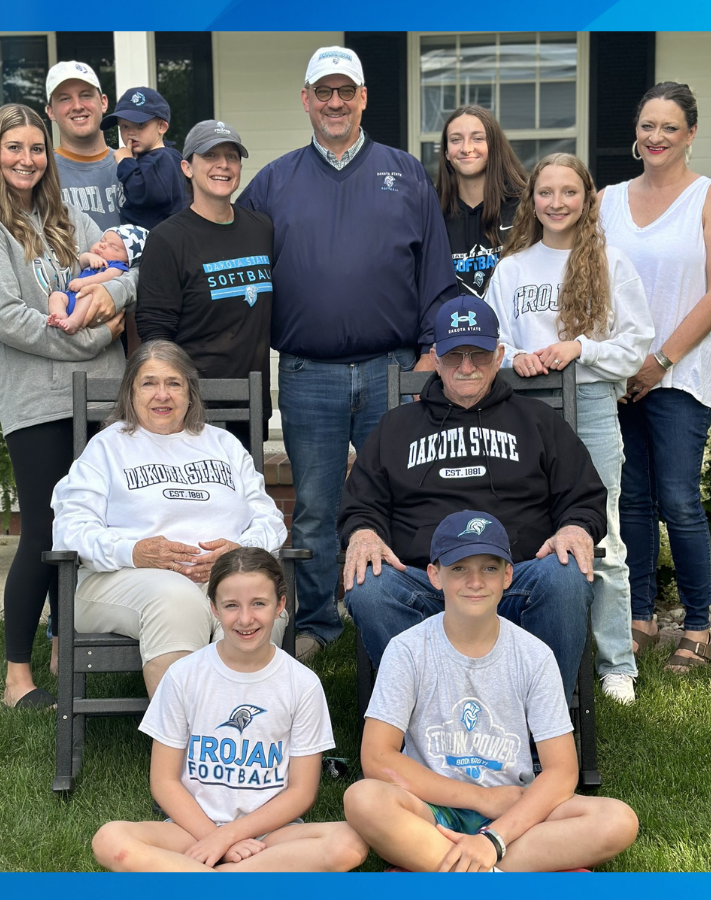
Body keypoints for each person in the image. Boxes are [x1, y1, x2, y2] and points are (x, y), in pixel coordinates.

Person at [237, 45, 459, 662]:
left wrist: (426, 357)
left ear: (363, 99)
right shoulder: (273, 183)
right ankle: (316, 625)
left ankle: (407, 612)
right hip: (309, 374)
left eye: (346, 91)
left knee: (407, 494)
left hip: (394, 368)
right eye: (323, 91)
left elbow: (435, 273)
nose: (334, 102)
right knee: (314, 506)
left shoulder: (405, 172)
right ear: (306, 99)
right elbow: (232, 262)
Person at [338, 297, 606, 702]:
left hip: (517, 582)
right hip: (426, 588)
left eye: (479, 354)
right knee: (369, 586)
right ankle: (436, 720)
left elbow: (583, 493)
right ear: (435, 360)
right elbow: (361, 503)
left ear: (499, 354)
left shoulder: (537, 420)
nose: (466, 367)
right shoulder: (397, 427)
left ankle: (539, 730)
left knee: (567, 575)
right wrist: (363, 534)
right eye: (453, 355)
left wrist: (575, 527)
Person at [0, 103, 133, 709]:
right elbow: (7, 319)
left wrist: (112, 290)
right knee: (46, 533)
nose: (26, 159)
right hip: (38, 402)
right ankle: (17, 675)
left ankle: (67, 645)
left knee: (91, 528)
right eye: (14, 149)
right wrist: (98, 333)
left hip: (100, 397)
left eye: (35, 148)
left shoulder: (67, 217)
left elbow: (125, 274)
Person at [343, 511, 639, 872]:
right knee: (362, 799)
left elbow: (562, 771)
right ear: (435, 575)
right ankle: (506, 873)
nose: (475, 582)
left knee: (617, 820)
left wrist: (494, 839)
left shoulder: (533, 655)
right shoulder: (407, 650)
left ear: (508, 575)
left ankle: (441, 865)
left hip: (513, 809)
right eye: (459, 569)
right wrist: (482, 799)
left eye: (489, 568)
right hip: (431, 804)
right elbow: (377, 757)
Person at [484, 153, 653, 705]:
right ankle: (521, 651)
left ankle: (616, 662)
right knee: (524, 526)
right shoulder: (512, 268)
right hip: (525, 409)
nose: (556, 203)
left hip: (591, 407)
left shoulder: (611, 264)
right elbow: (493, 341)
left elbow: (635, 347)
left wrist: (579, 348)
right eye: (545, 193)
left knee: (602, 534)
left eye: (569, 193)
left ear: (588, 198)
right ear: (531, 200)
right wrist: (517, 358)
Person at [92, 548, 369, 873]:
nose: (245, 618)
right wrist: (214, 837)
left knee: (349, 843)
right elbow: (164, 781)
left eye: (259, 604)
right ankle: (243, 881)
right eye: (231, 605)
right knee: (110, 839)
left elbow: (301, 792)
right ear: (214, 608)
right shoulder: (183, 676)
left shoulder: (302, 684)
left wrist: (231, 838)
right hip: (192, 830)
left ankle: (210, 880)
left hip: (271, 835)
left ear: (280, 606)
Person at [597, 82, 711, 672]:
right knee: (630, 497)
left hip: (678, 373)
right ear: (636, 133)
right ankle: (639, 616)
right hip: (619, 373)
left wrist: (661, 361)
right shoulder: (606, 199)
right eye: (647, 126)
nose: (656, 137)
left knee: (679, 499)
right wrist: (622, 361)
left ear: (690, 134)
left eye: (669, 128)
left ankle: (699, 625)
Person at [51, 341, 288, 696]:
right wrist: (134, 551)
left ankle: (241, 736)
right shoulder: (106, 448)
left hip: (222, 574)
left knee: (250, 594)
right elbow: (70, 530)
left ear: (190, 393)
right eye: (148, 383)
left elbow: (269, 520)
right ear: (130, 393)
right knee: (176, 598)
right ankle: (180, 741)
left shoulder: (224, 445)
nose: (162, 395)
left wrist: (239, 552)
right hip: (123, 577)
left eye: (174, 383)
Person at [135, 120, 273, 452]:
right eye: (210, 155)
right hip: (192, 410)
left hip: (251, 405)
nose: (223, 164)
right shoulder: (167, 239)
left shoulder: (261, 229)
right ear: (187, 167)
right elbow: (156, 334)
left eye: (232, 156)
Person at [437, 105, 526, 300]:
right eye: (455, 140)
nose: (466, 148)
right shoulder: (431, 213)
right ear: (446, 152)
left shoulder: (525, 207)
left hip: (512, 329)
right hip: (453, 326)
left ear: (494, 146)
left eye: (478, 138)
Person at [44, 60, 123, 232]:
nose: (78, 106)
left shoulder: (132, 165)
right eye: (65, 99)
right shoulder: (42, 173)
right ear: (51, 112)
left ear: (103, 102)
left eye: (85, 95)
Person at [106, 86, 187, 230]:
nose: (131, 132)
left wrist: (125, 162)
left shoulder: (163, 158)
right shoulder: (153, 158)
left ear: (161, 126)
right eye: (124, 126)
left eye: (140, 124)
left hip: (157, 242)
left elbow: (142, 193)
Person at [47, 224, 147, 333]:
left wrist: (84, 282)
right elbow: (80, 262)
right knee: (56, 296)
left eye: (113, 247)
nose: (103, 245)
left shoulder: (118, 266)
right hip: (71, 295)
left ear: (127, 260)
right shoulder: (95, 258)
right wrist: (89, 257)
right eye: (102, 240)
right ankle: (60, 315)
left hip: (89, 298)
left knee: (87, 295)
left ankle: (74, 322)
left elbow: (106, 276)